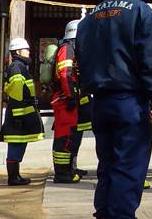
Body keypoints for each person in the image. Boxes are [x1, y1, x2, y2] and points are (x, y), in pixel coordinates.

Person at [76, 0, 152, 219]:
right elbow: (151, 59)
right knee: (128, 169)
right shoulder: (141, 11)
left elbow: (83, 58)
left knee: (108, 166)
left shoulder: (89, 18)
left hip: (100, 103)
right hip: (131, 103)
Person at [0, 37, 44, 186]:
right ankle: (13, 177)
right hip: (19, 114)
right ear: (18, 51)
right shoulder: (17, 68)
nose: (28, 52)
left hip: (21, 113)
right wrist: (18, 116)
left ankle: (15, 175)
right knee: (16, 144)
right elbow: (17, 94)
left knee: (19, 143)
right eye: (26, 49)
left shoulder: (18, 67)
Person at [51, 19, 92, 184]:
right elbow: (65, 74)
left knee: (73, 135)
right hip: (65, 100)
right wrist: (70, 96)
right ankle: (62, 173)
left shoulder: (72, 49)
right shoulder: (67, 49)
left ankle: (70, 168)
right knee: (64, 136)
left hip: (72, 99)